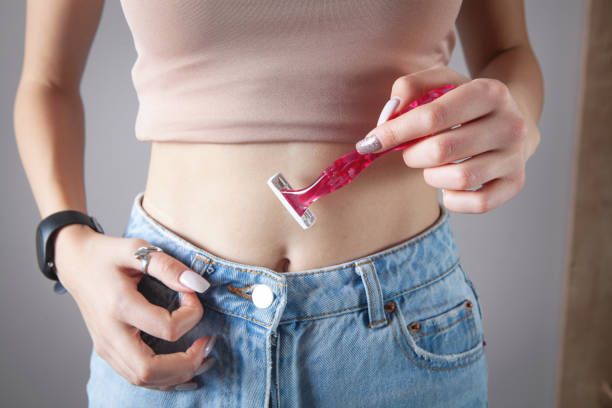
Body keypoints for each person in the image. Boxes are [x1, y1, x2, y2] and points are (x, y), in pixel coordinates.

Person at [14, 0, 542, 406]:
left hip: (404, 328)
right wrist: (66, 242)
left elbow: (508, 51)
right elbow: (47, 79)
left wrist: (515, 120)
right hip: (172, 321)